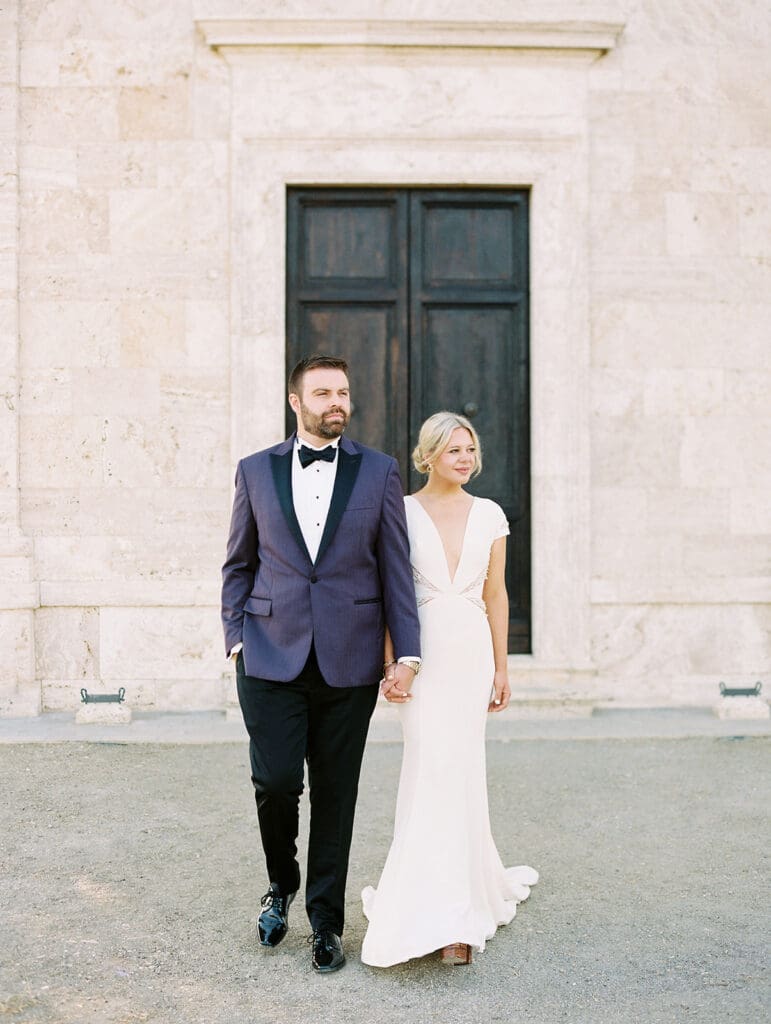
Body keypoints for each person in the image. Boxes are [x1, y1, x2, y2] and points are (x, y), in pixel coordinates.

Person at [221, 354, 421, 974]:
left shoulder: (380, 471)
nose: (337, 401)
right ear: (295, 401)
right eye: (324, 392)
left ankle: (327, 923)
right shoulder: (255, 471)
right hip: (269, 654)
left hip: (350, 658)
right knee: (276, 782)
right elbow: (238, 562)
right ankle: (280, 885)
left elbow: (396, 568)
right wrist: (235, 637)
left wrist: (406, 653)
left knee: (337, 793)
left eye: (344, 391)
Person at [361, 411, 538, 968]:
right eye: (454, 450)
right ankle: (424, 902)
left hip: (471, 656)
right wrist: (393, 661)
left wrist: (502, 668)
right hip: (423, 654)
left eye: (470, 449)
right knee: (429, 768)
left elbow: (497, 595)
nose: (465, 458)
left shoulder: (489, 514)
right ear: (429, 455)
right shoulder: (403, 511)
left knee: (462, 770)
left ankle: (460, 911)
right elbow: (390, 592)